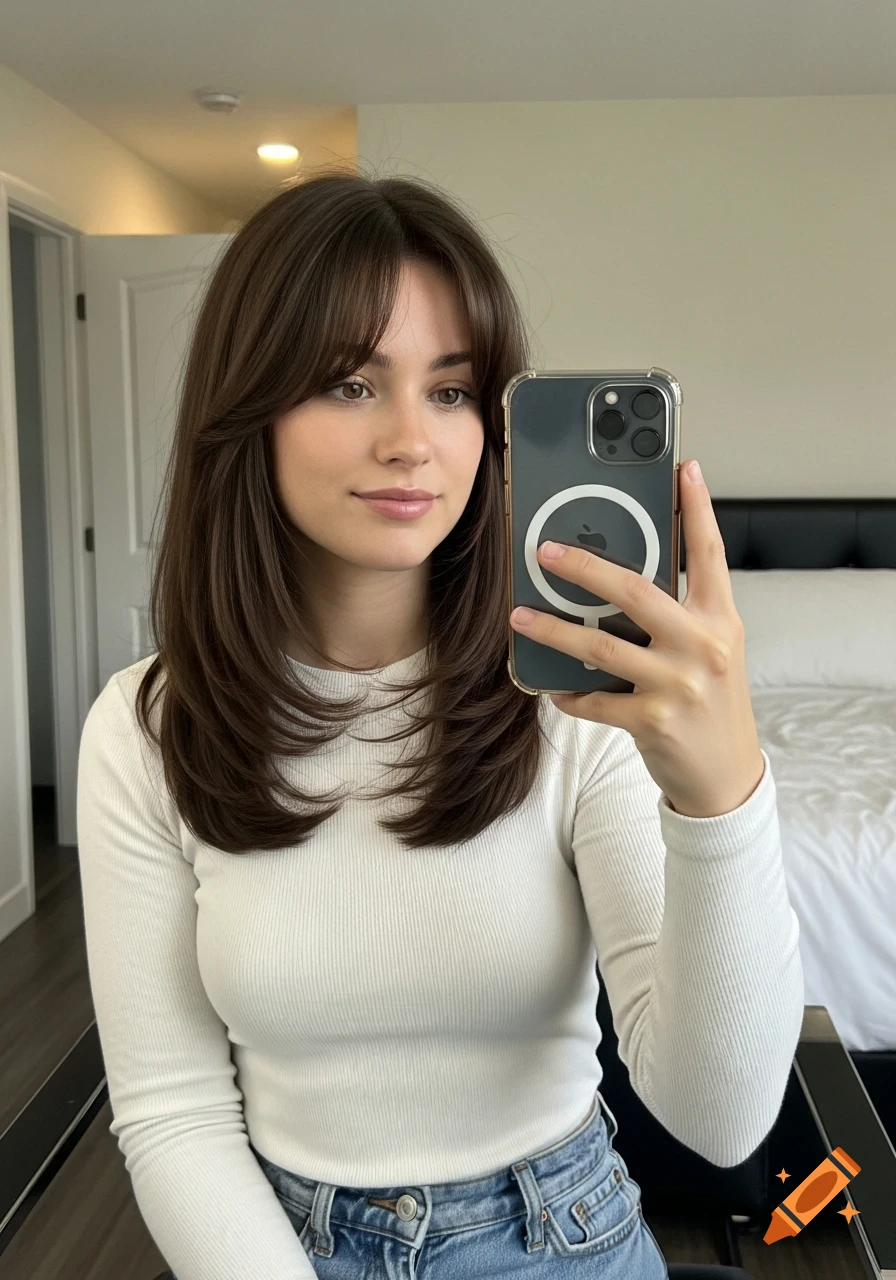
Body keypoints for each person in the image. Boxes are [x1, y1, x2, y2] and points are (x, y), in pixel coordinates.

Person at [76, 167, 804, 1280]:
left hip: (563, 1239)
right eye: (349, 384)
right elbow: (173, 1112)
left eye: (454, 390)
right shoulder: (143, 729)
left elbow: (720, 1120)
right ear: (248, 408)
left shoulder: (579, 703)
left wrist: (722, 797)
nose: (412, 440)